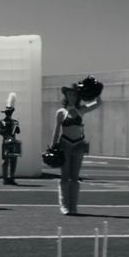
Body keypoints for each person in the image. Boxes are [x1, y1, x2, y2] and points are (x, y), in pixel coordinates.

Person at [51, 84, 102, 215]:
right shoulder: (61, 112)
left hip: (78, 146)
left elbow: (98, 103)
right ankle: (64, 206)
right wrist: (53, 146)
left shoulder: (82, 109)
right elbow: (56, 131)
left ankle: (73, 206)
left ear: (77, 96)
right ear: (66, 96)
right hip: (65, 145)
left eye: (74, 94)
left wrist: (96, 90)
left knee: (74, 177)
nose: (71, 96)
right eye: (69, 94)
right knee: (64, 177)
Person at [0, 92, 21, 185]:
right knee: (5, 160)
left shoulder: (15, 121)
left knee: (14, 160)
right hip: (6, 142)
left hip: (13, 142)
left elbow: (18, 131)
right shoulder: (1, 122)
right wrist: (7, 126)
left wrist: (16, 126)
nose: (9, 113)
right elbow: (1, 132)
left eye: (10, 112)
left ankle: (12, 177)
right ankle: (4, 178)